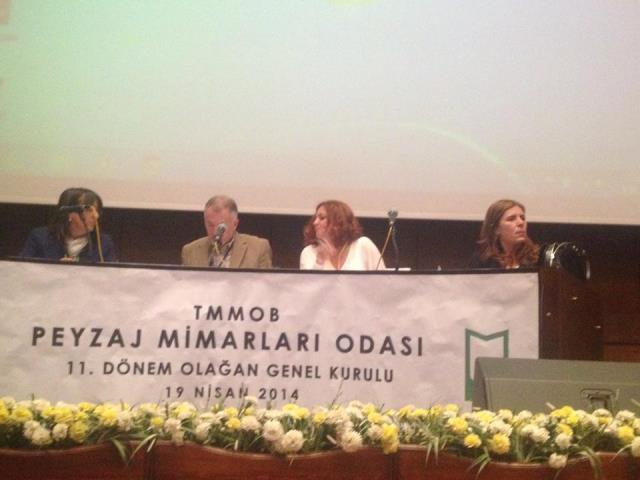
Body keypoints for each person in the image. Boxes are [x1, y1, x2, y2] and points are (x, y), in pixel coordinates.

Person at [20, 187, 116, 262]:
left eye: (97, 210)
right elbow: (23, 270)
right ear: (69, 212)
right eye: (89, 210)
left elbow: (109, 277)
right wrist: (55, 269)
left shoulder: (103, 243)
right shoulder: (40, 237)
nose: (96, 216)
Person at [181, 195, 272, 269]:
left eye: (221, 227)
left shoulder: (258, 248)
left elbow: (265, 284)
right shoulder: (190, 251)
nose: (215, 231)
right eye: (210, 225)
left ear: (235, 224)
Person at [300, 200, 384, 270]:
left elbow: (383, 281)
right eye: (315, 218)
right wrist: (320, 260)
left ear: (338, 223)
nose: (315, 223)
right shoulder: (308, 252)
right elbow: (307, 284)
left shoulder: (363, 245)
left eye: (322, 218)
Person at [470, 198, 540, 269]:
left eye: (522, 218)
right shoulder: (483, 261)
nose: (521, 223)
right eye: (511, 219)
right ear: (496, 228)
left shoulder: (538, 259)